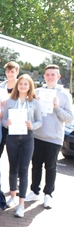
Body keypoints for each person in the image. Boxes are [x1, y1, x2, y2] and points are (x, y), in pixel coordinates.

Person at [25, 64, 73, 209]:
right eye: (48, 74)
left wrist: (57, 108)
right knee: (36, 165)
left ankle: (48, 194)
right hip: (37, 135)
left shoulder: (65, 94)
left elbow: (69, 118)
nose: (50, 77)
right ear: (44, 76)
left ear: (58, 77)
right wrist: (34, 103)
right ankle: (34, 191)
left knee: (51, 167)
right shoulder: (37, 91)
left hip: (54, 138)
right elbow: (29, 112)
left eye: (53, 75)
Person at [2, 74, 42, 217]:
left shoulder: (35, 103)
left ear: (30, 86)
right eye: (21, 84)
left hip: (27, 138)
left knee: (24, 170)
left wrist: (33, 125)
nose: (23, 86)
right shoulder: (10, 102)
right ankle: (12, 196)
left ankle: (21, 204)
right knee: (13, 168)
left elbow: (39, 121)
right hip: (12, 138)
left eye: (26, 84)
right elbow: (4, 119)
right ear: (17, 86)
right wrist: (6, 123)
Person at [0, 61, 20, 157]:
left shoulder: (22, 86)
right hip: (2, 123)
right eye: (8, 71)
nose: (10, 74)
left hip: (15, 123)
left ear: (17, 72)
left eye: (12, 72)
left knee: (14, 154)